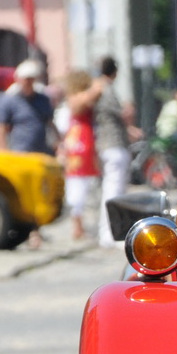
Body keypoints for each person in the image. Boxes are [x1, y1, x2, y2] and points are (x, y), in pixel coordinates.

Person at [91, 56, 135, 244]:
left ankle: (109, 233)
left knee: (112, 189)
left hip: (107, 143)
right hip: (113, 143)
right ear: (114, 72)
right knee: (114, 190)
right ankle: (109, 234)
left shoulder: (97, 87)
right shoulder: (105, 89)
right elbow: (122, 114)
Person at [58, 70, 99, 241]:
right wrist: (98, 84)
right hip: (80, 143)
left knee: (84, 187)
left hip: (81, 142)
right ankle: (78, 226)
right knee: (78, 186)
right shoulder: (75, 99)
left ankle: (82, 225)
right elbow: (83, 100)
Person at [0, 60, 55, 154]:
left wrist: (58, 143)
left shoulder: (43, 99)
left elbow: (50, 123)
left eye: (30, 79)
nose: (28, 82)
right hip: (19, 152)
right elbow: (1, 127)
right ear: (18, 79)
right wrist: (2, 150)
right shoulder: (9, 100)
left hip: (41, 151)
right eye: (25, 79)